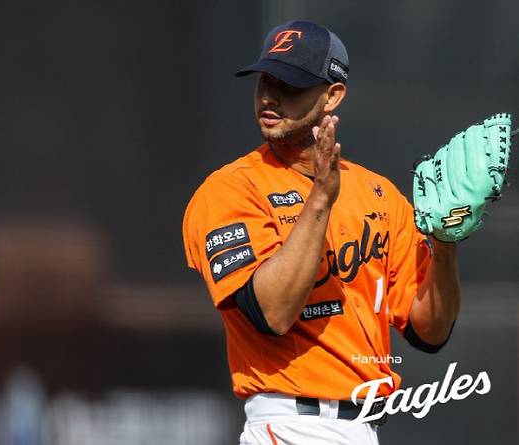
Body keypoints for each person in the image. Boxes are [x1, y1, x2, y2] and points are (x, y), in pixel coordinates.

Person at [182, 20, 461, 445]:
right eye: (265, 81)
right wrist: (320, 200)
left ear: (332, 95)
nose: (270, 96)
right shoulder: (232, 189)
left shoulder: (379, 194)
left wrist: (445, 244)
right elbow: (272, 314)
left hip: (364, 427)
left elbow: (429, 332)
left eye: (289, 85)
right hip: (289, 422)